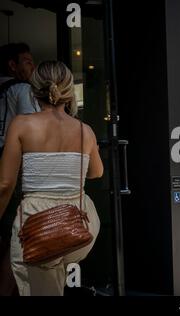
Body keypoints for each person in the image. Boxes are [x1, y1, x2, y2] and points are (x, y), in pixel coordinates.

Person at [0, 61, 103, 296]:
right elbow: (96, 172)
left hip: (37, 222)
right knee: (52, 280)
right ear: (68, 91)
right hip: (79, 223)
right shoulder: (84, 130)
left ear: (33, 90)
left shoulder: (21, 125)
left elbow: (5, 184)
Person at [0, 43, 39, 296]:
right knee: (16, 236)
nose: (31, 65)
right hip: (11, 162)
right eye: (26, 61)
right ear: (12, 66)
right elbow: (31, 131)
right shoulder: (22, 89)